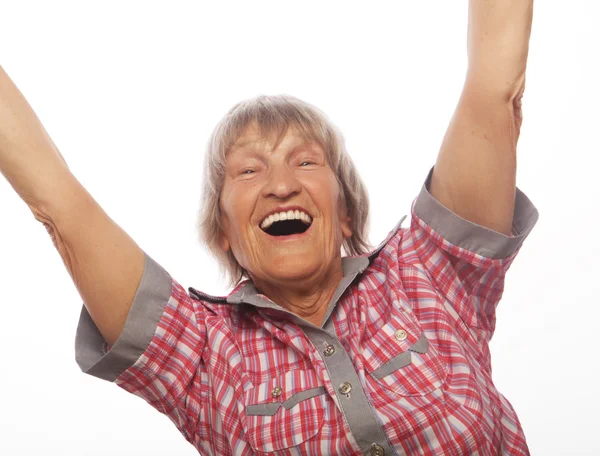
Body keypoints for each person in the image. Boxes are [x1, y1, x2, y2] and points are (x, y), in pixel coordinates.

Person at [0, 1, 538, 454]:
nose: (281, 185)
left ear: (346, 210)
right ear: (224, 234)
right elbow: (58, 205)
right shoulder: (201, 352)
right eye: (249, 170)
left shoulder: (427, 271)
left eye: (305, 162)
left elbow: (495, 90)